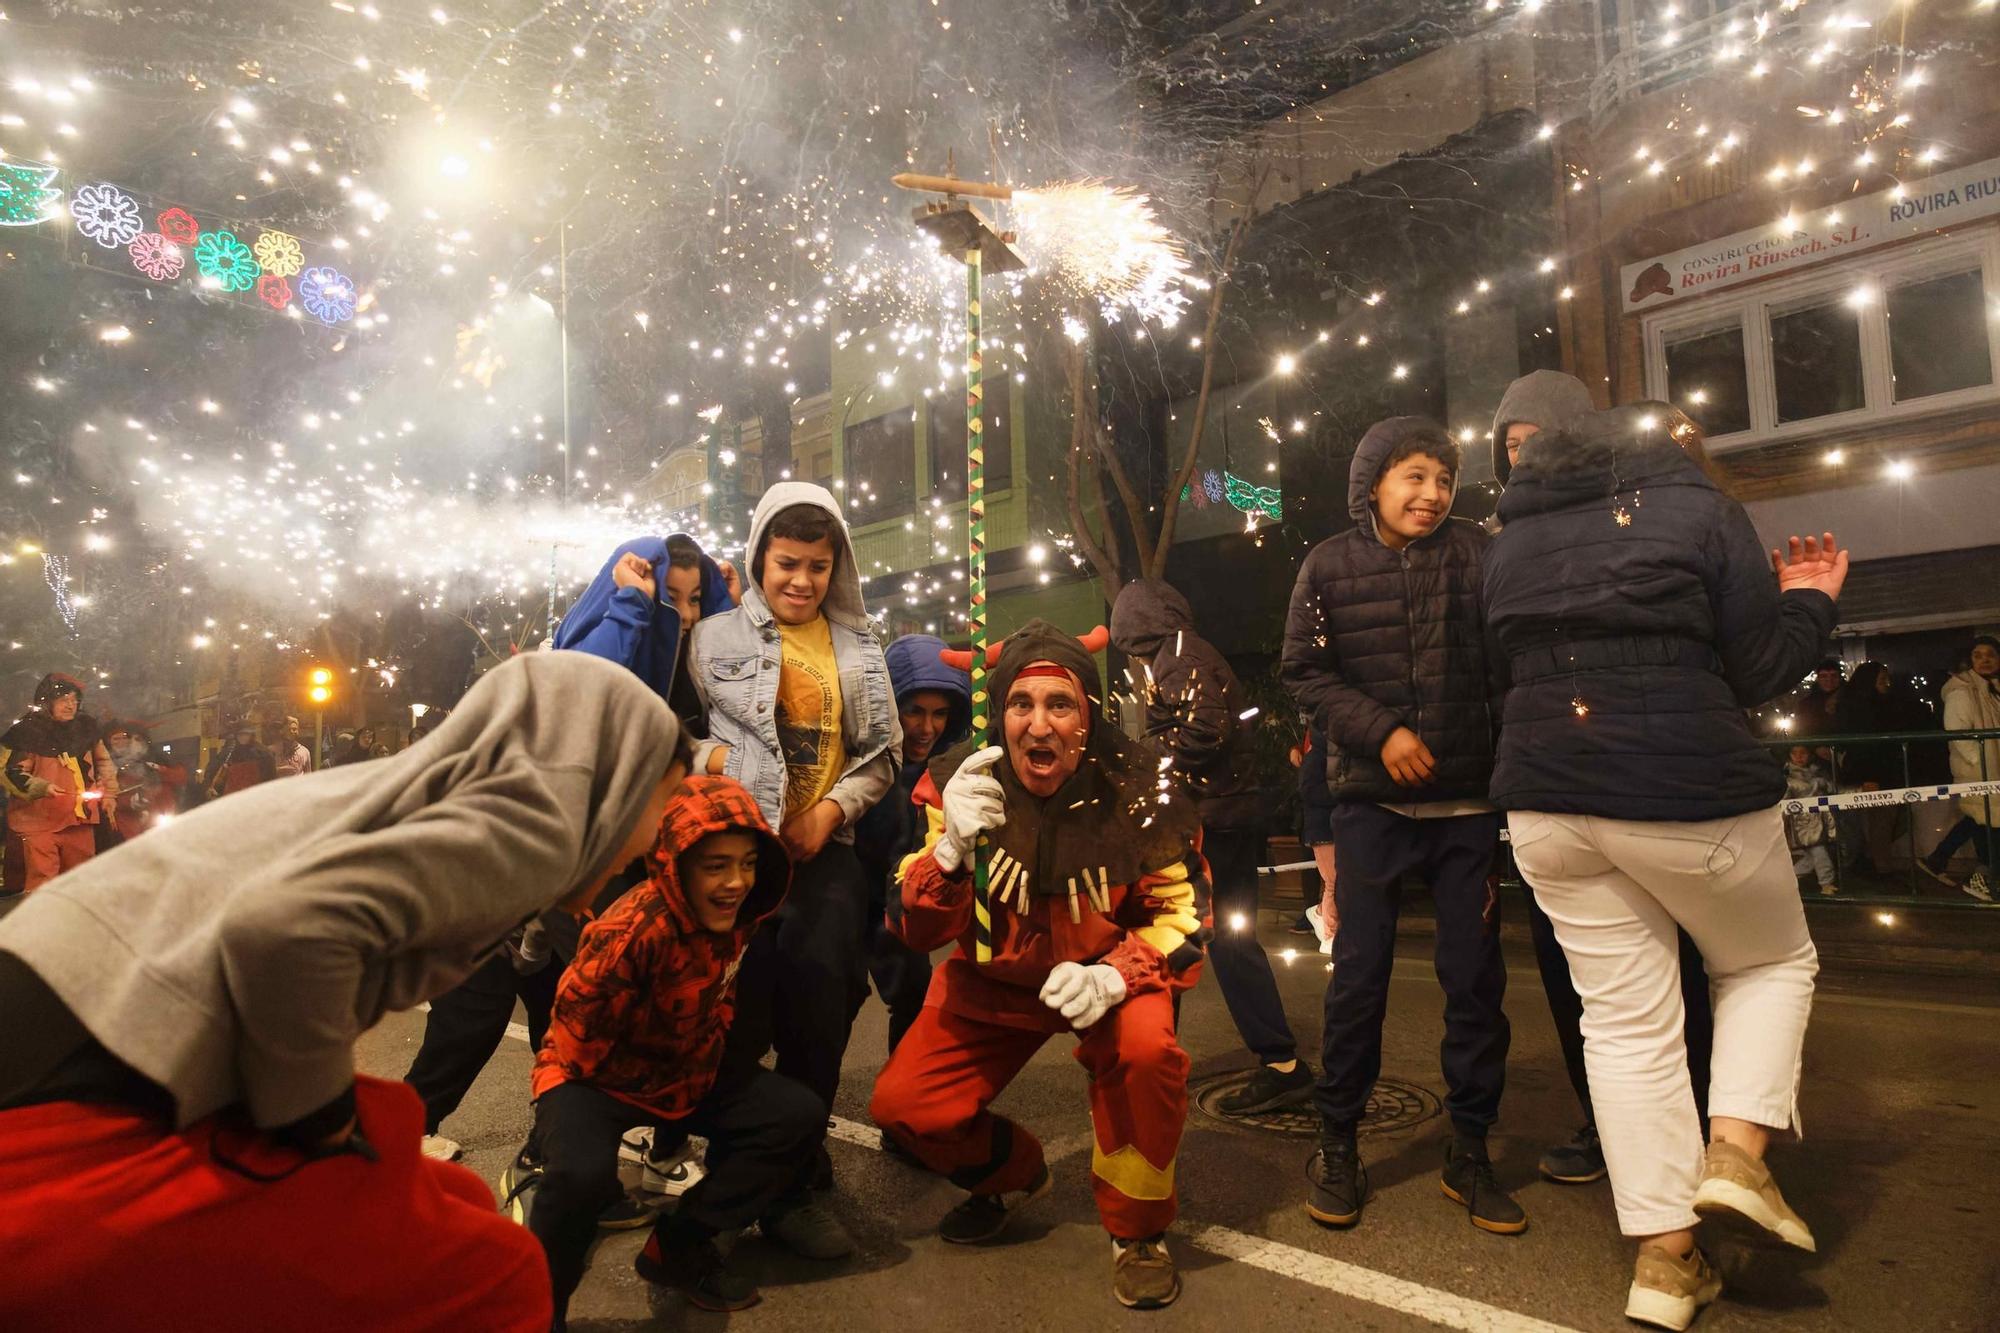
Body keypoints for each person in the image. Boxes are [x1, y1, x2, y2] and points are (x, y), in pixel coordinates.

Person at [0, 651, 688, 1331]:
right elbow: (283, 935)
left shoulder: (437, 798)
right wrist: (324, 1129)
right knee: (489, 1271)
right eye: (667, 796)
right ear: (611, 777)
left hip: (67, 988)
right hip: (90, 1032)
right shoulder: (528, 830)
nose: (663, 832)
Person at [1483, 403, 1844, 1331]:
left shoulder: (1509, 543)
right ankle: (1737, 1154)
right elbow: (1759, 667)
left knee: (1621, 1025)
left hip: (1546, 804)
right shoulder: (1699, 510)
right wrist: (1811, 599)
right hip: (1687, 789)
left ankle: (1667, 1263)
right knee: (1767, 961)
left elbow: (1500, 674)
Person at [868, 620, 1207, 1309]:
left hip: (1105, 976)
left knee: (1147, 1054)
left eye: (1060, 704)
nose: (1040, 723)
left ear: (1088, 716)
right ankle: (1012, 1177)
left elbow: (1187, 916)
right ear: (1000, 715)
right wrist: (949, 855)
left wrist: (1116, 974)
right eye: (1021, 704)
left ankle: (1139, 1231)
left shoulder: (1143, 790)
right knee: (903, 1106)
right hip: (994, 979)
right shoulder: (959, 783)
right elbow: (912, 927)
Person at [1280, 416, 1521, 1237]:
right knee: (1359, 976)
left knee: (1475, 980)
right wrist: (1382, 732)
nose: (1432, 493)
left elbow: (1506, 665)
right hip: (1370, 807)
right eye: (1414, 475)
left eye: (1444, 478)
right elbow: (1304, 672)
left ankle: (1471, 1148)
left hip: (1467, 810)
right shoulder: (1327, 565)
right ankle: (1338, 1139)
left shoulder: (1479, 555)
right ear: (1373, 482)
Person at [1488, 368, 1715, 1190]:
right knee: (1576, 978)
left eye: (1536, 440)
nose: (1522, 459)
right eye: (1510, 446)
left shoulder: (1641, 513)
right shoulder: (1504, 542)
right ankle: (1610, 1125)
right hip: (1549, 793)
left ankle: (1704, 1128)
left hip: (1652, 783)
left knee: (1675, 969)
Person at [523, 775, 829, 1322]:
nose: (736, 882)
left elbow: (721, 992)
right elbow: (574, 1027)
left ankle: (678, 1246)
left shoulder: (742, 913)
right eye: (715, 865)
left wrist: (698, 1051)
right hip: (592, 1076)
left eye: (748, 863)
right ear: (674, 864)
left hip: (683, 1067)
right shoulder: (629, 933)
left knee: (794, 1116)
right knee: (578, 1178)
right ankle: (535, 1308)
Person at [690, 482, 898, 1253]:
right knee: (732, 1023)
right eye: (787, 563)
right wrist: (717, 760)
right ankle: (735, 1178)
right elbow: (670, 733)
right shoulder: (709, 637)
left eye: (818, 565)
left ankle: (795, 1190)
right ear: (758, 558)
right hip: (735, 859)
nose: (802, 580)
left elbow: (883, 755)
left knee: (819, 1022)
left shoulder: (860, 646)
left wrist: (831, 811)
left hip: (824, 860)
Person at [1112, 578, 1305, 1114]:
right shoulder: (1189, 651)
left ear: (1136, 629)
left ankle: (1158, 1063)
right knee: (1219, 939)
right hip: (1230, 815)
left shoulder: (1176, 657)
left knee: (1177, 935)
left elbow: (1204, 730)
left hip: (1211, 822)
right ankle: (1275, 1061)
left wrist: (1145, 761)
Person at [853, 633, 970, 1053]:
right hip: (848, 896)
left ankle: (900, 1094)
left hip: (899, 905)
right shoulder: (859, 759)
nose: (927, 727)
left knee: (915, 993)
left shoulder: (950, 774)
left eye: (940, 713)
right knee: (832, 1000)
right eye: (914, 711)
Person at [555, 533, 740, 733]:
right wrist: (632, 601)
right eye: (670, 597)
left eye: (694, 599)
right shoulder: (587, 646)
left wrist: (727, 611)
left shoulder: (694, 652)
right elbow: (583, 687)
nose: (686, 614)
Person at [1, 673, 118, 894]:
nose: (70, 705)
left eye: (74, 700)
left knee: (80, 882)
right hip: (39, 821)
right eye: (64, 700)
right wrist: (41, 787)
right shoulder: (27, 733)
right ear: (47, 702)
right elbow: (10, 772)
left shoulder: (86, 729)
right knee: (43, 885)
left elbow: (104, 763)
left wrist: (109, 794)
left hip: (80, 819)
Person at [1923, 635, 2000, 901]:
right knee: (1987, 822)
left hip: (1993, 770)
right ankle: (1984, 876)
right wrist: (1980, 761)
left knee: (1981, 820)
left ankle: (1940, 859)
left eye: (1990, 654)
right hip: (1981, 771)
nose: (1985, 660)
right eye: (1978, 655)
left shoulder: (1992, 688)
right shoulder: (1962, 691)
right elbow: (1958, 733)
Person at [1832, 662, 1902, 876]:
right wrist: (1869, 776)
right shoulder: (1862, 709)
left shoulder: (1877, 704)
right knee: (1880, 822)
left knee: (1884, 820)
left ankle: (1871, 863)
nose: (1886, 684)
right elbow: (1863, 747)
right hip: (1871, 773)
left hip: (1879, 772)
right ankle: (1880, 867)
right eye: (1881, 681)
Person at [103, 720, 181, 843]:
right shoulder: (107, 764)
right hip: (125, 824)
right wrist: (130, 801)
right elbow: (111, 794)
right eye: (116, 739)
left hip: (156, 818)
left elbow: (176, 778)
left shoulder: (152, 760)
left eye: (124, 737)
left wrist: (161, 770)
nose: (121, 742)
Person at [1783, 745, 1839, 896]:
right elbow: (1784, 806)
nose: (1799, 756)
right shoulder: (1787, 779)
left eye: (1803, 753)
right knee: (1820, 853)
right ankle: (1826, 884)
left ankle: (1784, 880)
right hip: (1803, 826)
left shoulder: (1818, 774)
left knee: (1809, 860)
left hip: (1821, 821)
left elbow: (1834, 791)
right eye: (1794, 753)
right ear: (1789, 756)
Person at [1791, 659, 1843, 738]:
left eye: (1834, 676)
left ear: (1840, 678)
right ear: (1818, 679)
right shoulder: (1806, 704)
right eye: (1824, 676)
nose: (1829, 680)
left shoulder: (1850, 700)